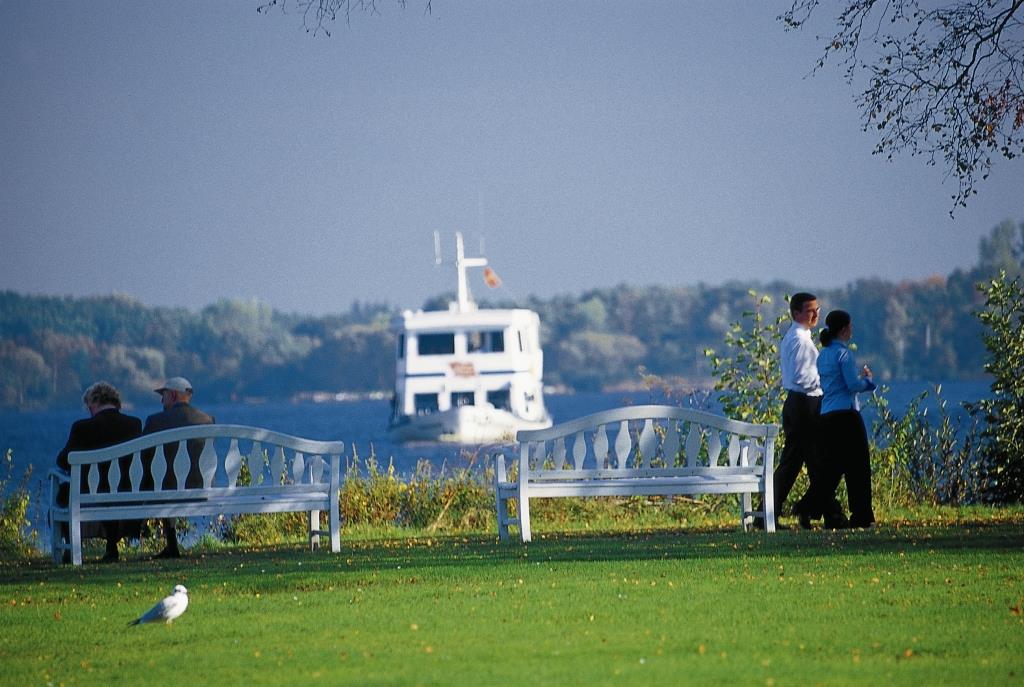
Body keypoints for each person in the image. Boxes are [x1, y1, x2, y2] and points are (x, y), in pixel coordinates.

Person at [775, 292, 846, 529]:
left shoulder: (798, 337)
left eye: (817, 309)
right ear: (796, 313)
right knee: (819, 461)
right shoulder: (799, 340)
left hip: (801, 404)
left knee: (797, 462)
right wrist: (830, 380)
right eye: (810, 310)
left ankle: (807, 511)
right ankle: (826, 513)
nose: (816, 314)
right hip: (805, 404)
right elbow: (803, 377)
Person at [55, 381, 143, 563]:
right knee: (108, 489)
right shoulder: (134, 424)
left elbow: (63, 460)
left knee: (64, 492)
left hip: (89, 493)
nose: (88, 410)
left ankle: (70, 546)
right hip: (126, 491)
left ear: (95, 402)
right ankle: (112, 546)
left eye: (88, 406)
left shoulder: (82, 428)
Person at [808, 310, 877, 528]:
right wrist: (868, 381)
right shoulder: (843, 355)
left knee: (831, 467)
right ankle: (862, 514)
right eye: (850, 326)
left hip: (827, 415)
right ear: (844, 329)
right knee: (857, 467)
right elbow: (852, 385)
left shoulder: (823, 355)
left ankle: (817, 509)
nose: (852, 330)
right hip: (847, 415)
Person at [142, 376, 215, 558]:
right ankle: (171, 545)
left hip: (165, 488)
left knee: (160, 478)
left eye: (164, 395)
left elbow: (144, 457)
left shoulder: (155, 421)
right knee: (167, 478)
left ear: (173, 395)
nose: (161, 400)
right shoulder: (207, 420)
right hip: (202, 487)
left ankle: (170, 543)